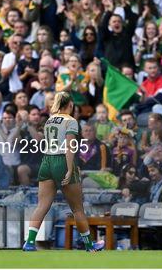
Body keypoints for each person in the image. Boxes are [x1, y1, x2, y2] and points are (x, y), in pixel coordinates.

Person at [23, 92, 105, 252]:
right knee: (77, 208)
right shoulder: (71, 121)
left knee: (42, 206)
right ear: (70, 105)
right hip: (61, 161)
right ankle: (90, 245)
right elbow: (70, 146)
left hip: (46, 161)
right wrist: (69, 169)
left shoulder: (49, 121)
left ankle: (29, 242)